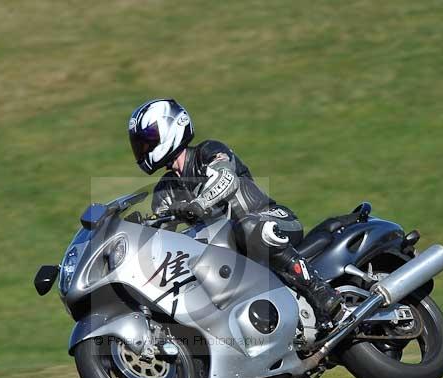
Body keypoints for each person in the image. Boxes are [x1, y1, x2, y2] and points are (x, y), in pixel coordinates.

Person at [128, 98, 343, 327]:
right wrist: (141, 232)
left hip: (271, 220)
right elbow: (163, 235)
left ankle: (321, 294)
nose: (144, 147)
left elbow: (226, 179)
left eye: (149, 139)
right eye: (140, 143)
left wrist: (199, 204)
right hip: (231, 251)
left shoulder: (208, 152)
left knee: (250, 227)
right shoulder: (165, 190)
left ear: (171, 127)